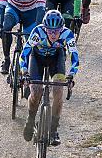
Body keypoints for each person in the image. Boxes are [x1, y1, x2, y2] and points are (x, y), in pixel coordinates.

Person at [20, 10, 79, 146]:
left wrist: (71, 75)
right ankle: (30, 119)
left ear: (62, 29)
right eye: (50, 31)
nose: (53, 34)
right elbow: (24, 54)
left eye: (56, 31)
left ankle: (53, 131)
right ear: (45, 28)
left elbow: (74, 57)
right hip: (37, 59)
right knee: (35, 91)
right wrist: (24, 72)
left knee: (58, 92)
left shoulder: (67, 34)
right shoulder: (37, 32)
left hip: (56, 59)